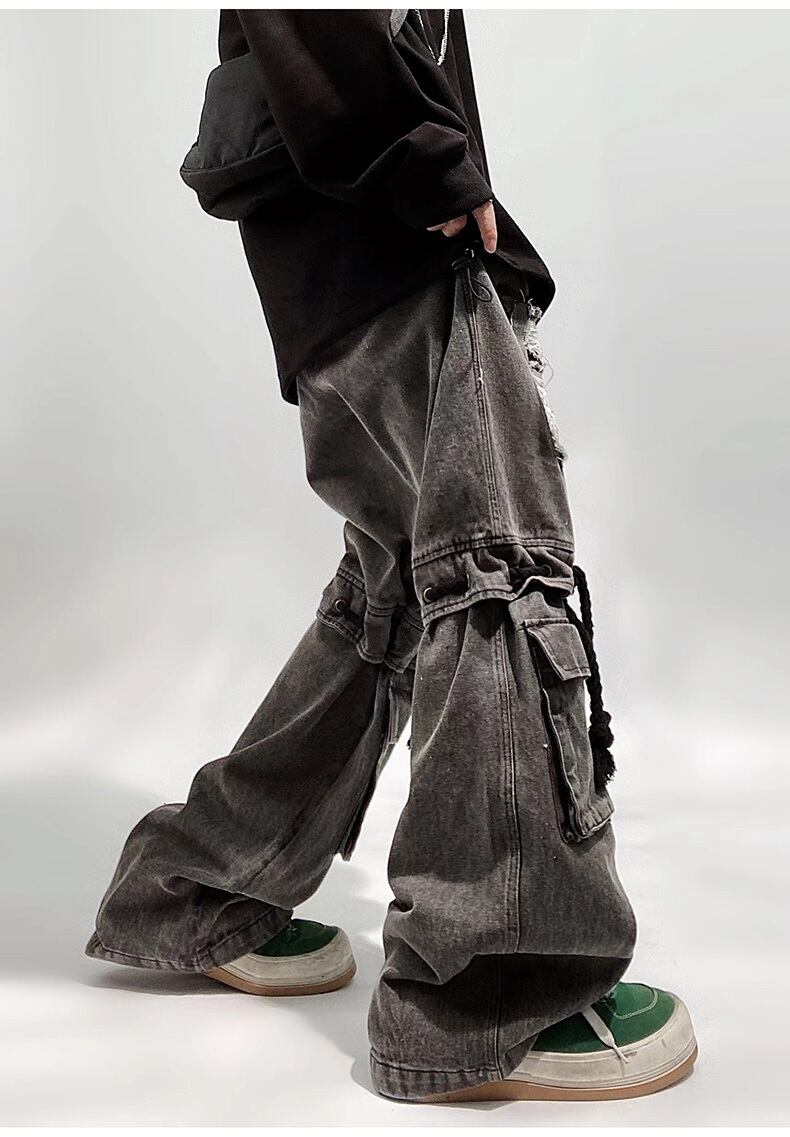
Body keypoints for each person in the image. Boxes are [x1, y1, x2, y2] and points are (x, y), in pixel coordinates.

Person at [86, 10, 697, 1103]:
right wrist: (435, 173)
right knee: (493, 578)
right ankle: (496, 987)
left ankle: (202, 890)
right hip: (394, 244)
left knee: (397, 594)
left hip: (337, 264)